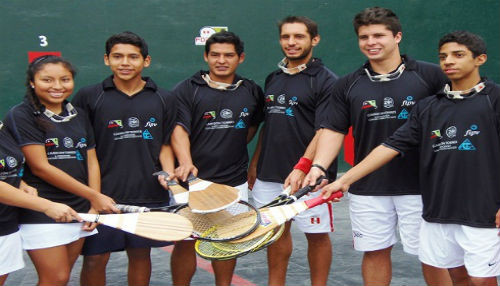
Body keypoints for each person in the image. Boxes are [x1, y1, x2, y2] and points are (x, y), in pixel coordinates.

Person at [320, 30, 499, 286]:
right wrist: (344, 180)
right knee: (457, 275)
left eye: (458, 55)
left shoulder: (494, 100)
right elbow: (389, 147)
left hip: (482, 211)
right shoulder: (428, 108)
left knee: (481, 279)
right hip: (437, 211)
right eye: (443, 56)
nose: (448, 61)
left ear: (480, 59)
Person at [304, 7, 452, 286]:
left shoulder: (431, 77)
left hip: (422, 185)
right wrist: (318, 166)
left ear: (397, 36)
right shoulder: (348, 85)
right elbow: (333, 130)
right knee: (374, 252)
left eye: (378, 35)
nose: (371, 42)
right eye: (364, 37)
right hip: (368, 186)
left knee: (433, 256)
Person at [72, 31, 177, 286]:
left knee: (140, 255)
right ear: (106, 60)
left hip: (148, 192)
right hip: (103, 194)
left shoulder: (164, 98)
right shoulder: (89, 97)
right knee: (96, 258)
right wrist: (92, 196)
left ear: (146, 61)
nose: (125, 62)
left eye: (133, 57)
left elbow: (164, 144)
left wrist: (169, 175)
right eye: (117, 56)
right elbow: (85, 151)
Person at [3, 55, 117, 286]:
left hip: (79, 208)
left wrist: (93, 204)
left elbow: (91, 160)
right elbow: (40, 167)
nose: (57, 86)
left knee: (62, 277)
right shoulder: (21, 115)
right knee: (56, 278)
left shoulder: (79, 114)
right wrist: (93, 196)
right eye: (47, 80)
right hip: (43, 210)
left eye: (64, 79)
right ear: (32, 82)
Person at [167, 31, 264, 286]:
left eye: (229, 55)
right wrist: (186, 161)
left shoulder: (251, 90)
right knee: (185, 242)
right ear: (206, 57)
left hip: (233, 181)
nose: (222, 60)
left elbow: (253, 126)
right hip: (192, 183)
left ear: (240, 58)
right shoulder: (187, 90)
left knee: (227, 240)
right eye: (215, 55)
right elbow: (179, 129)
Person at [247, 16, 338, 286]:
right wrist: (255, 162)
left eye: (299, 37)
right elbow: (269, 125)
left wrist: (307, 167)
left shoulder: (326, 80)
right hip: (270, 172)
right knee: (275, 233)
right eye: (286, 37)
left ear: (314, 40)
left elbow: (326, 130)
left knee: (316, 234)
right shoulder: (274, 78)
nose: (291, 42)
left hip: (311, 177)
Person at [0, 119, 80, 286]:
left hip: (6, 226)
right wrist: (47, 206)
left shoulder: (2, 128)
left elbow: (7, 167)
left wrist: (21, 184)